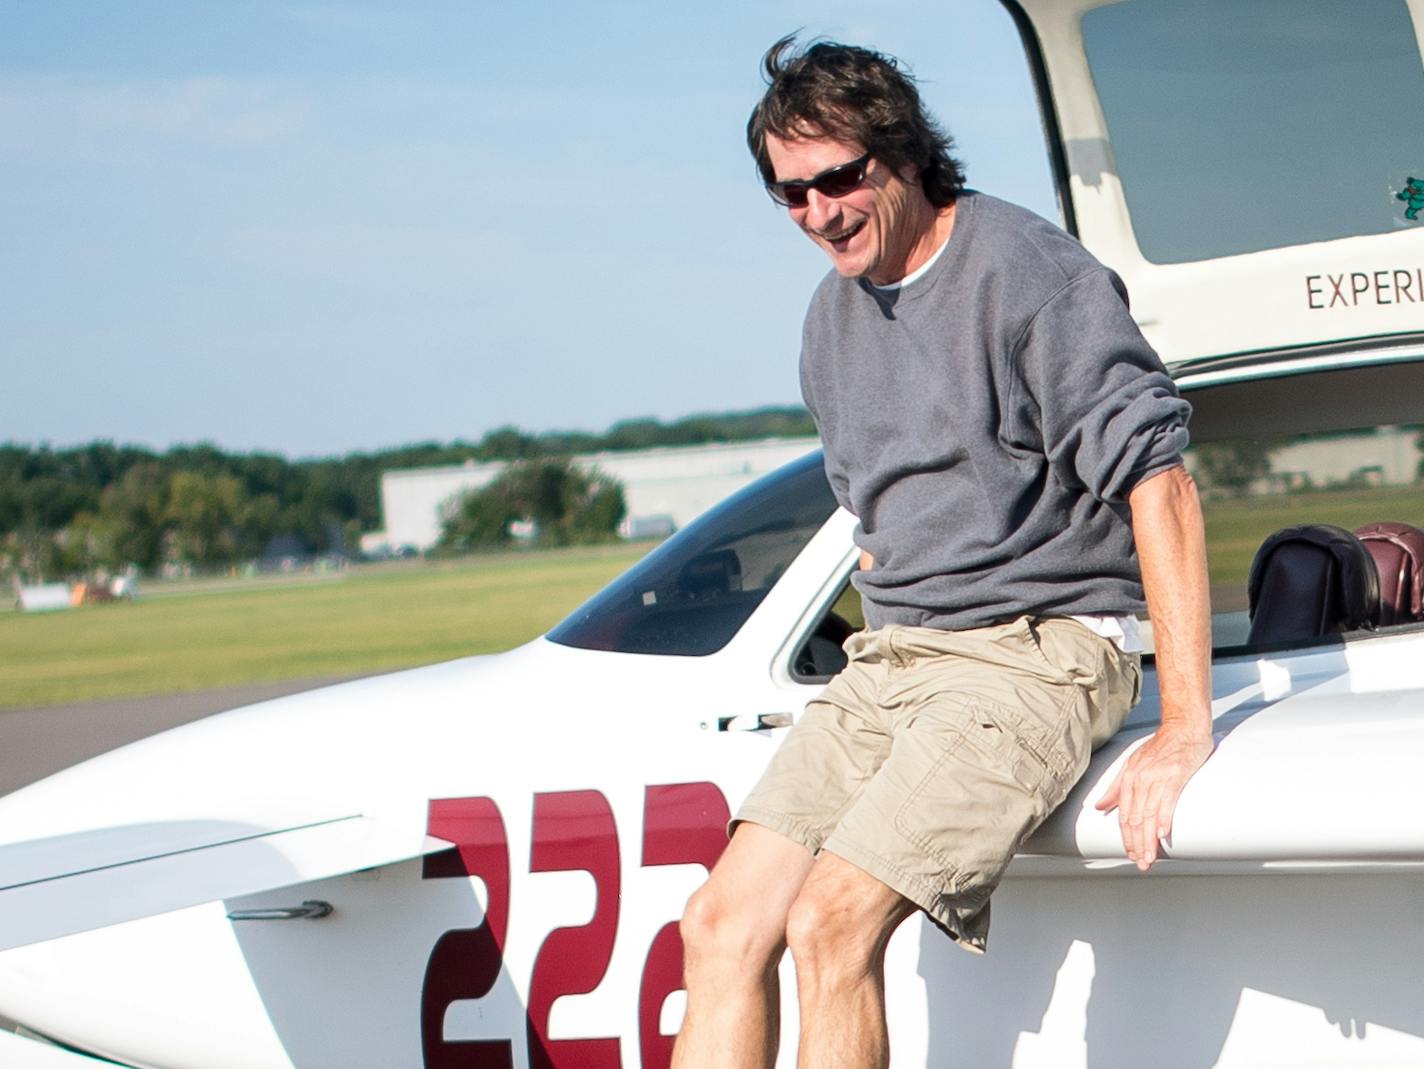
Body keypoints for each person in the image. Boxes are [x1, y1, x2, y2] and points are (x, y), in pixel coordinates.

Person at [671, 36, 1215, 1069]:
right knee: (718, 924)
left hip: (1034, 651)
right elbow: (877, 517)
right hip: (896, 661)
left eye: (839, 179)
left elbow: (1162, 483)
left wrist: (1182, 726)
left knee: (829, 924)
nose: (818, 214)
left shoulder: (1026, 273)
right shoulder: (829, 319)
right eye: (791, 195)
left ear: (907, 157)